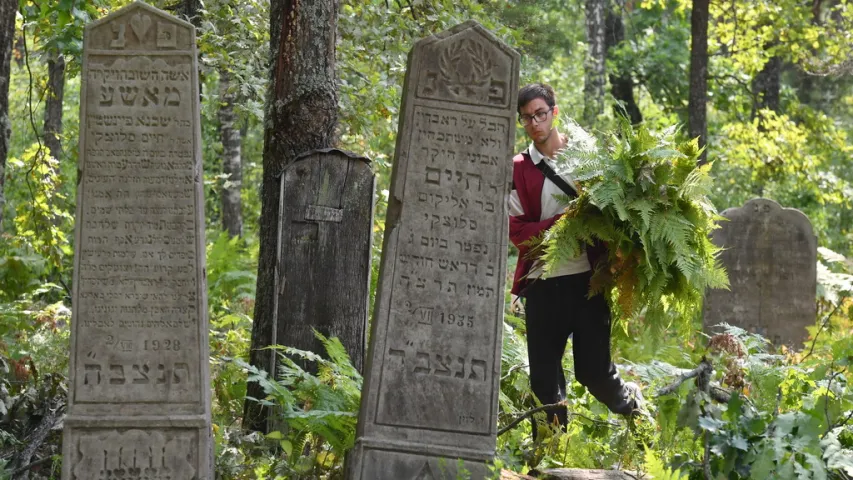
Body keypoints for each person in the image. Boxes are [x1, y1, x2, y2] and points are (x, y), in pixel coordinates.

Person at [508, 83, 642, 437]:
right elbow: (518, 231)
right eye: (526, 118)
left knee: (594, 372)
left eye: (539, 114)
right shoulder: (518, 168)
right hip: (542, 284)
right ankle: (552, 453)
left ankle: (636, 414)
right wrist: (565, 221)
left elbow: (619, 211)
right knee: (544, 382)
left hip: (588, 283)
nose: (534, 123)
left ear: (554, 112)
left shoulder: (586, 155)